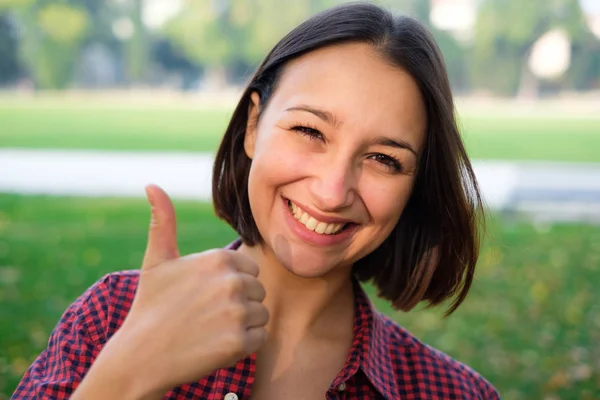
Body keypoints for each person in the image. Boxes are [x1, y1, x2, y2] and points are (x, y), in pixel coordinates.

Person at [12, 3, 500, 400]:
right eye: (310, 130)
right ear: (253, 125)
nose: (332, 191)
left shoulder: (452, 392)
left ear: (414, 184)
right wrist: (125, 375)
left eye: (383, 159)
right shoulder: (110, 319)